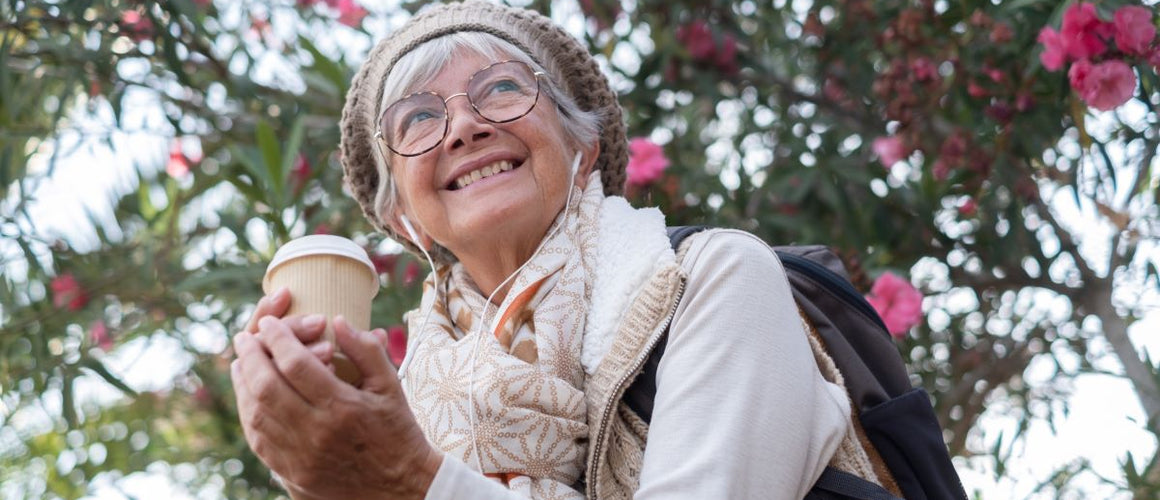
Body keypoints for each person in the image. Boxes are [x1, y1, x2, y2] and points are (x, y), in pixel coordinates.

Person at [230, 2, 880, 499]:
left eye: (503, 89)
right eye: (419, 119)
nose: (465, 126)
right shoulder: (396, 408)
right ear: (402, 217)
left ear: (582, 150)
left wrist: (407, 477)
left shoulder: (710, 281)